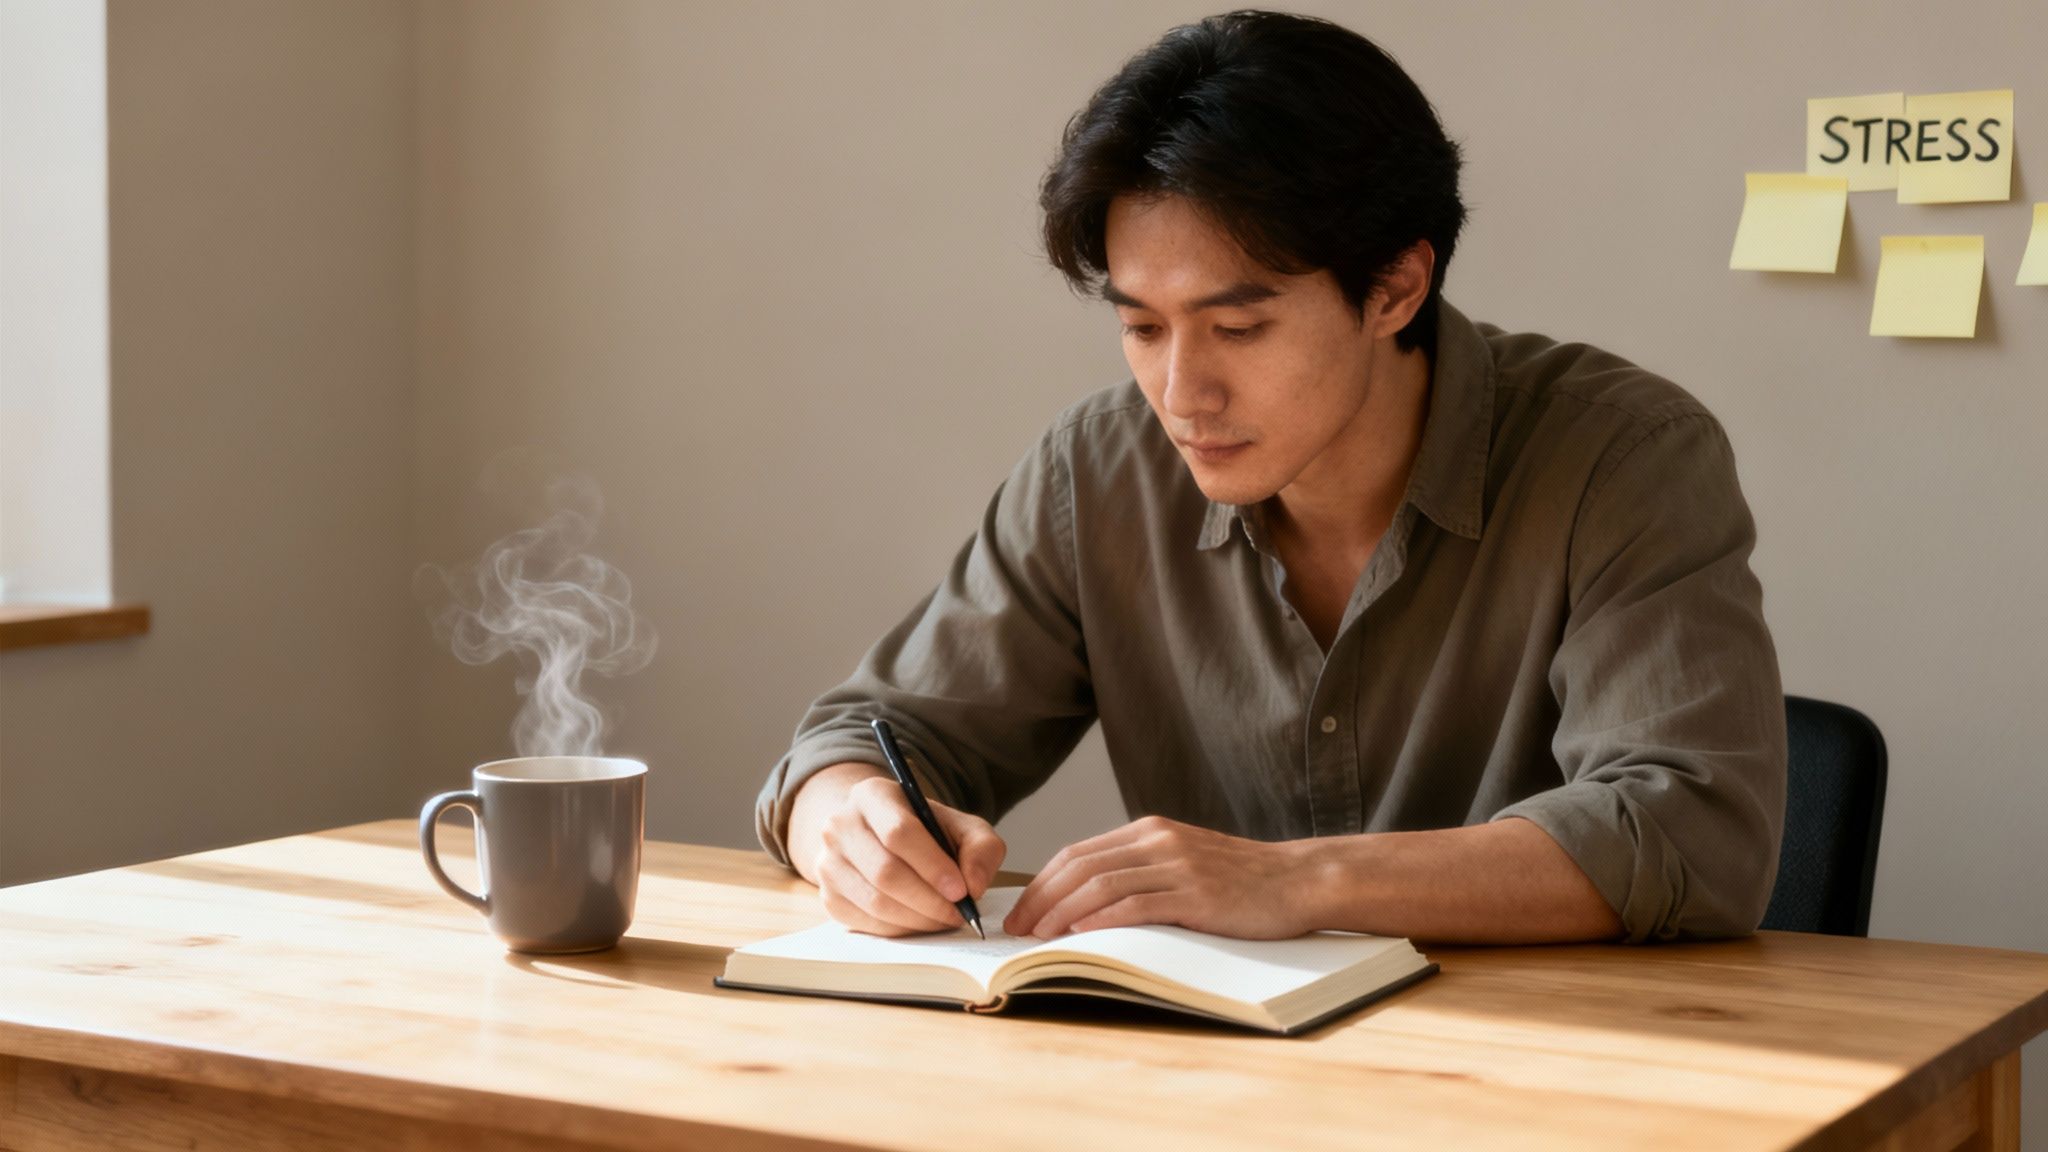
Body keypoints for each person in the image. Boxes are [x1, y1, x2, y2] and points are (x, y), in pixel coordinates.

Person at [753, 10, 1785, 946]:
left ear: (1393, 288)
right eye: (1139, 325)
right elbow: (867, 736)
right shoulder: (1096, 471)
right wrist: (844, 819)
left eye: (1237, 327)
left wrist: (1296, 880)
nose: (1179, 390)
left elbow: (1686, 830)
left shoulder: (1622, 455)